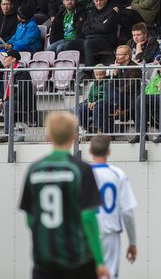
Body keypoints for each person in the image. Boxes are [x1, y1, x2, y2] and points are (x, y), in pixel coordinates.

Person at [19, 111, 110, 279]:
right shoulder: (82, 169)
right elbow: (88, 217)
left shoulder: (34, 170)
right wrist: (99, 260)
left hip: (43, 260)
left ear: (48, 136)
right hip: (77, 260)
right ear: (74, 136)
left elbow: (30, 218)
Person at [90, 135, 138, 278]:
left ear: (90, 151)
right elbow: (127, 212)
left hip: (88, 234)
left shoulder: (83, 173)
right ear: (109, 152)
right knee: (108, 275)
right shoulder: (118, 174)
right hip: (110, 235)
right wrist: (132, 243)